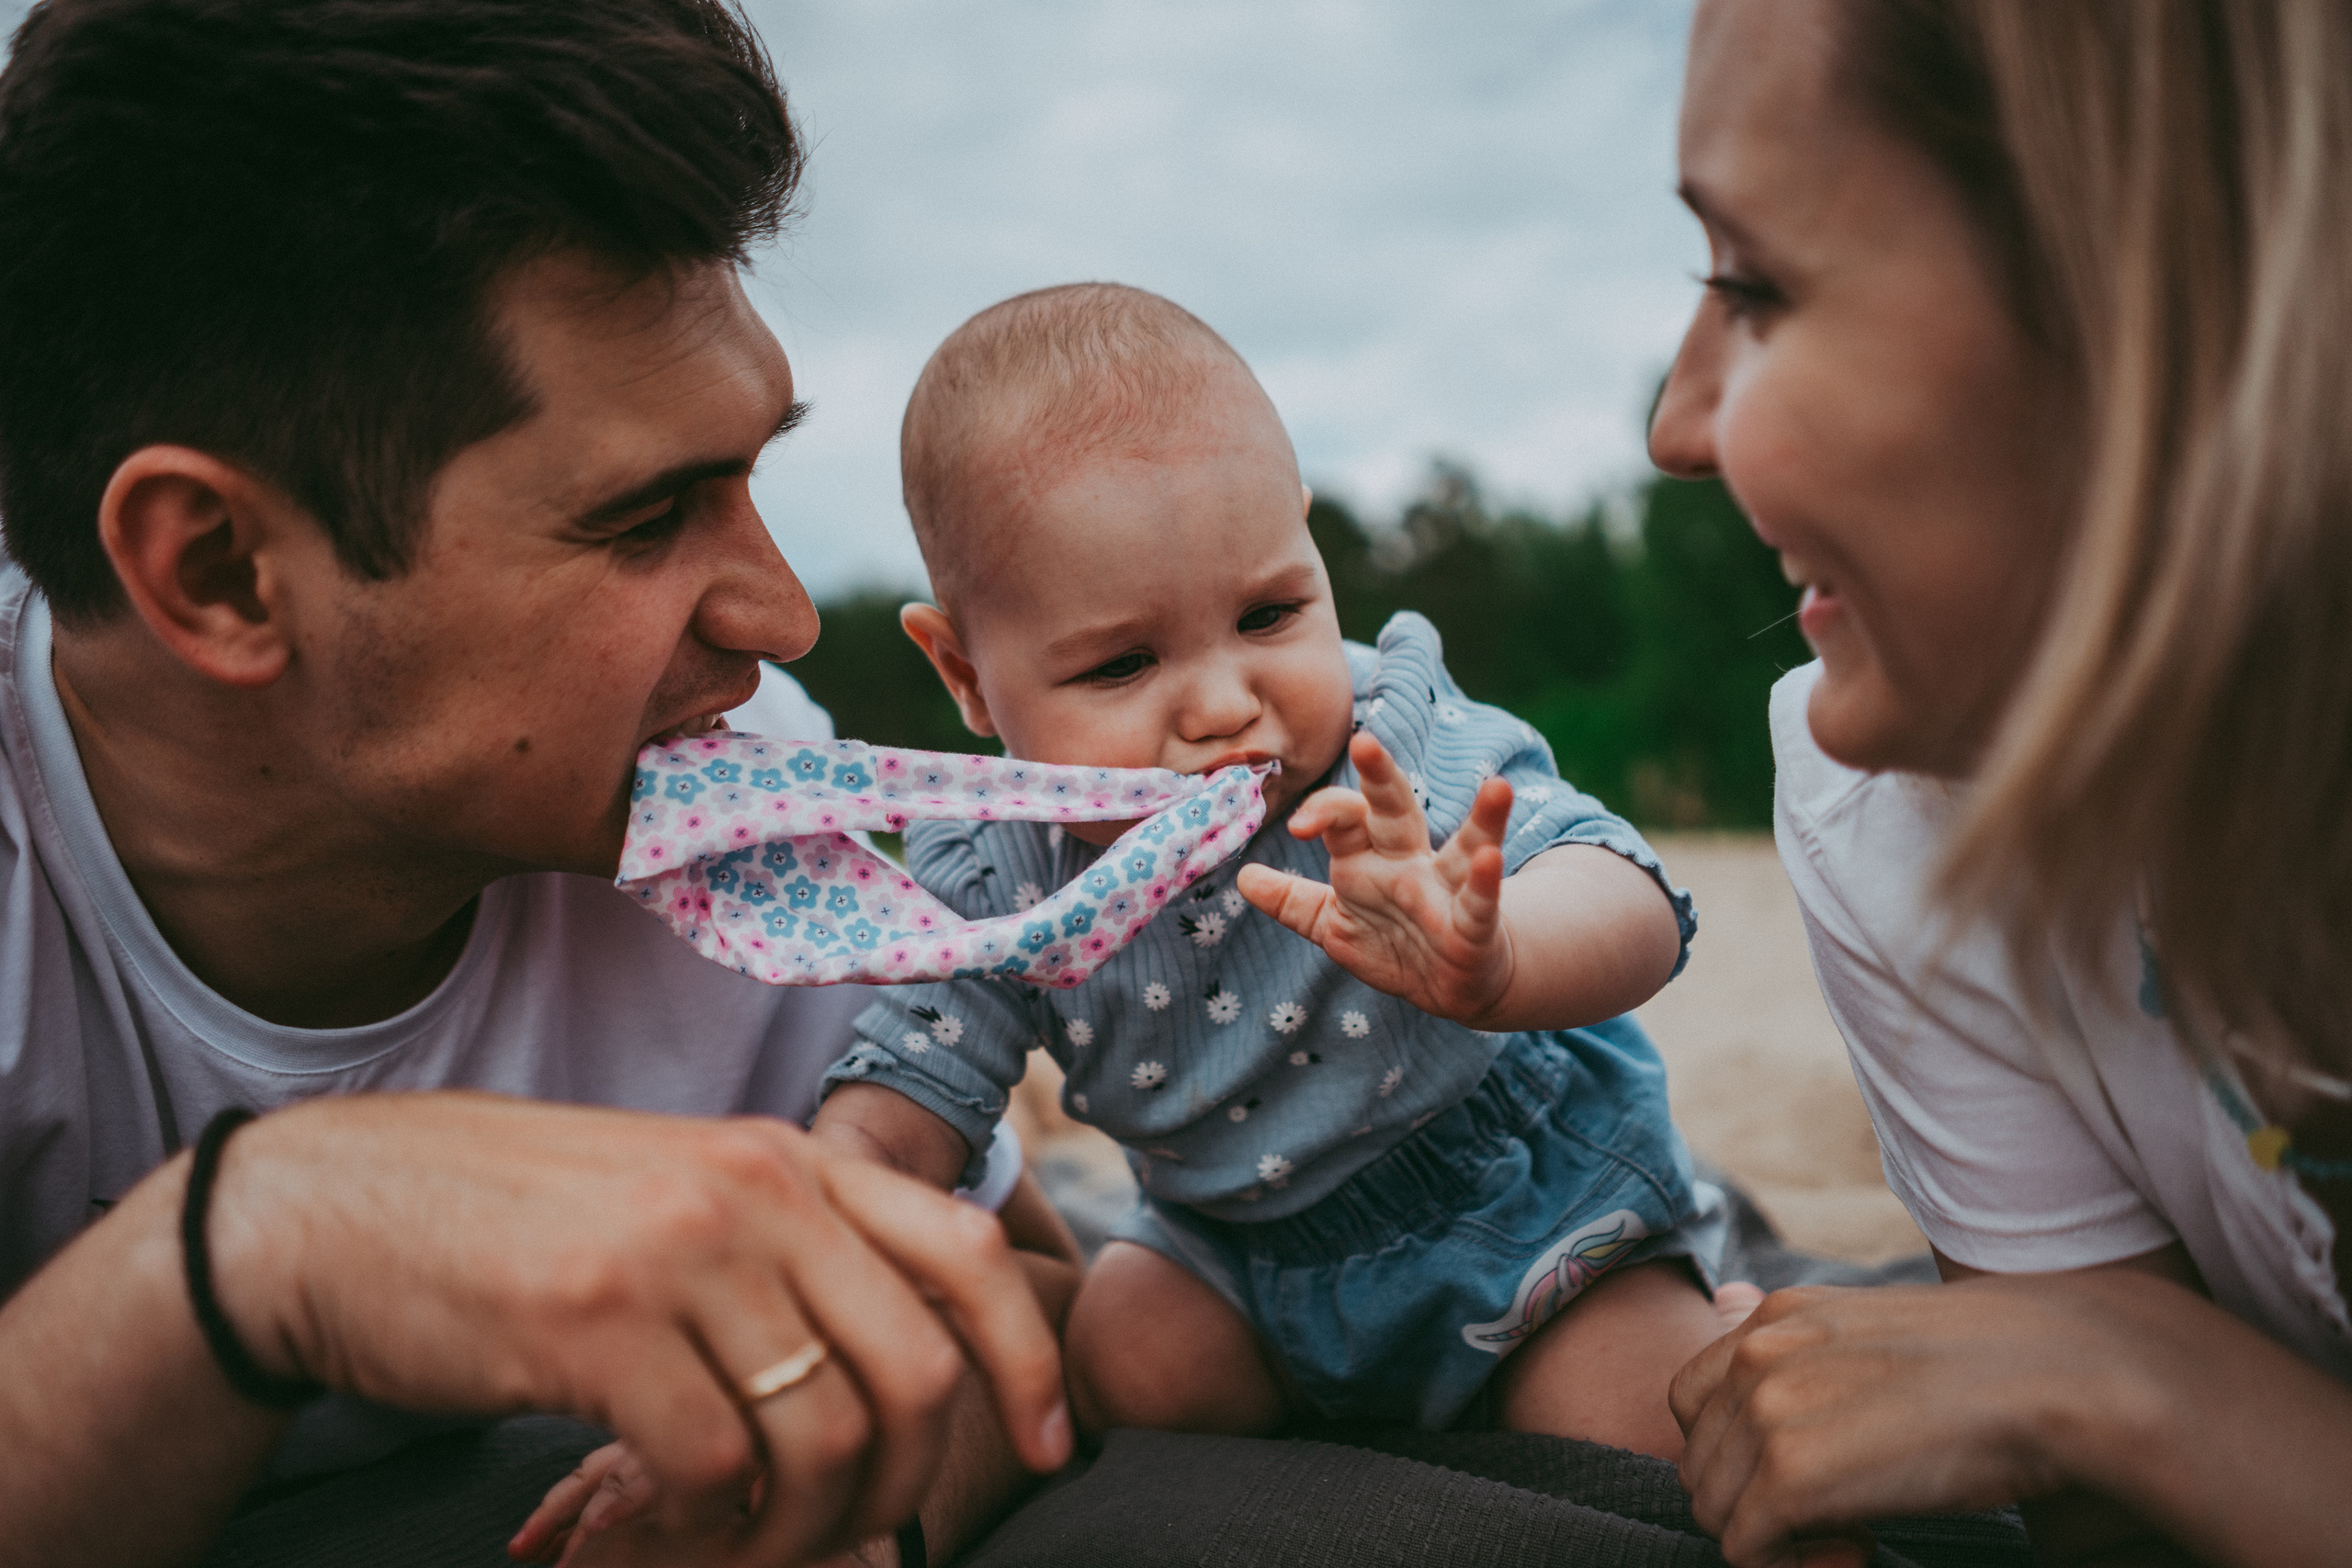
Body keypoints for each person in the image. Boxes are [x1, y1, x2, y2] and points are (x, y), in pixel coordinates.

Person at [0, 2, 1069, 1563]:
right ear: (222, 571)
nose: (775, 625)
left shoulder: (747, 805)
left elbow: (1020, 1282)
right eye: (645, 518)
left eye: (752, 471)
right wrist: (260, 1245)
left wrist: (854, 1509)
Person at [1647, 1, 2352, 1565]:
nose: (1676, 428)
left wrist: (2143, 1375)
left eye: (1754, 286)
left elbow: (2118, 1417)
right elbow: (2126, 1526)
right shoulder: (1889, 811)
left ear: (2164, 299)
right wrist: (2109, 1395)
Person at [820, 283, 1732, 1448]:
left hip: (1523, 1211)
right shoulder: (1003, 874)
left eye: (1266, 615)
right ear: (963, 673)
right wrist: (837, 1192)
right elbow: (911, 1084)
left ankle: (1713, 1327)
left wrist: (1498, 955)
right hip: (1236, 1252)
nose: (1222, 703)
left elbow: (1627, 889)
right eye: (1121, 665)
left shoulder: (1384, 742)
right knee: (1129, 1352)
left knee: (1644, 1431)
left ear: (1309, 548)